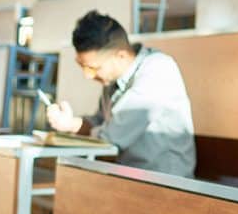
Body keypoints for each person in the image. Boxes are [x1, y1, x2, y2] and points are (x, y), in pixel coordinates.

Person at [46, 10, 196, 177]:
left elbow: (110, 137)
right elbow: (99, 121)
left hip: (165, 182)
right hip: (131, 176)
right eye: (82, 66)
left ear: (121, 55)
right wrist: (68, 123)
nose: (87, 76)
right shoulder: (113, 80)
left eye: (93, 68)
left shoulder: (157, 69)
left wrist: (74, 126)